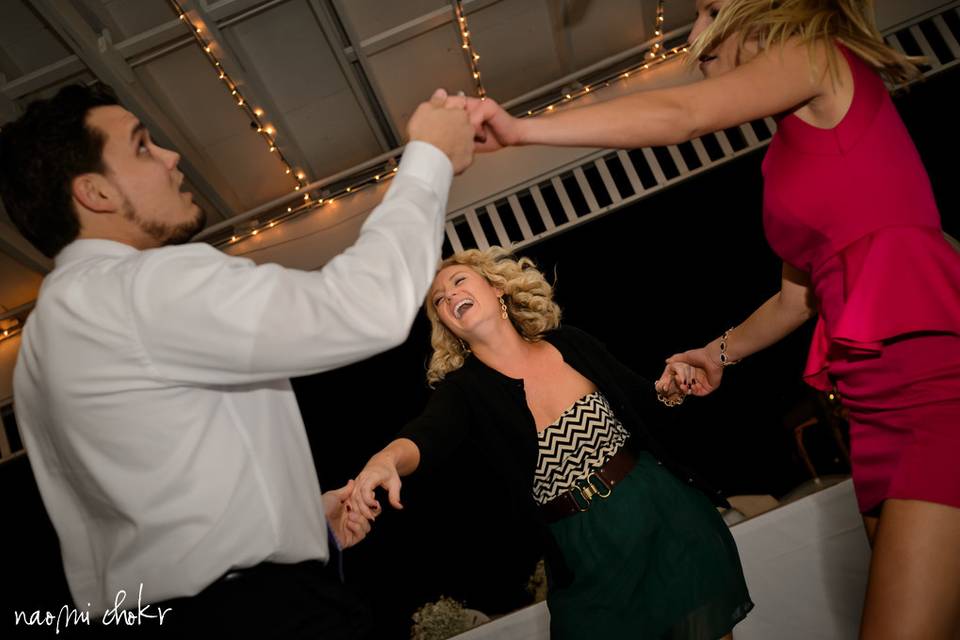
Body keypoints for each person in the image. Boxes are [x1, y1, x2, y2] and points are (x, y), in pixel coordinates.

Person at [464, 1, 960, 637]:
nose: (695, 34)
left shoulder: (822, 61)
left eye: (711, 9)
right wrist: (717, 353)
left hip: (927, 373)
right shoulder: (787, 150)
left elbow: (682, 116)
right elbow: (795, 298)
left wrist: (521, 131)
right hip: (869, 399)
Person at [0, 82, 475, 637]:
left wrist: (297, 522)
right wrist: (430, 159)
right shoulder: (137, 287)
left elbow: (157, 490)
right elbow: (361, 308)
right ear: (95, 193)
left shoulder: (37, 348)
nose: (172, 156)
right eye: (142, 146)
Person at [349, 247, 753, 639]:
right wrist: (384, 460)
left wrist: (673, 384)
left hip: (658, 508)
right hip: (584, 548)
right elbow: (427, 434)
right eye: (440, 299)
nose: (450, 295)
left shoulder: (570, 343)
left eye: (459, 282)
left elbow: (645, 398)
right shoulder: (464, 391)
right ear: (447, 325)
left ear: (497, 289)